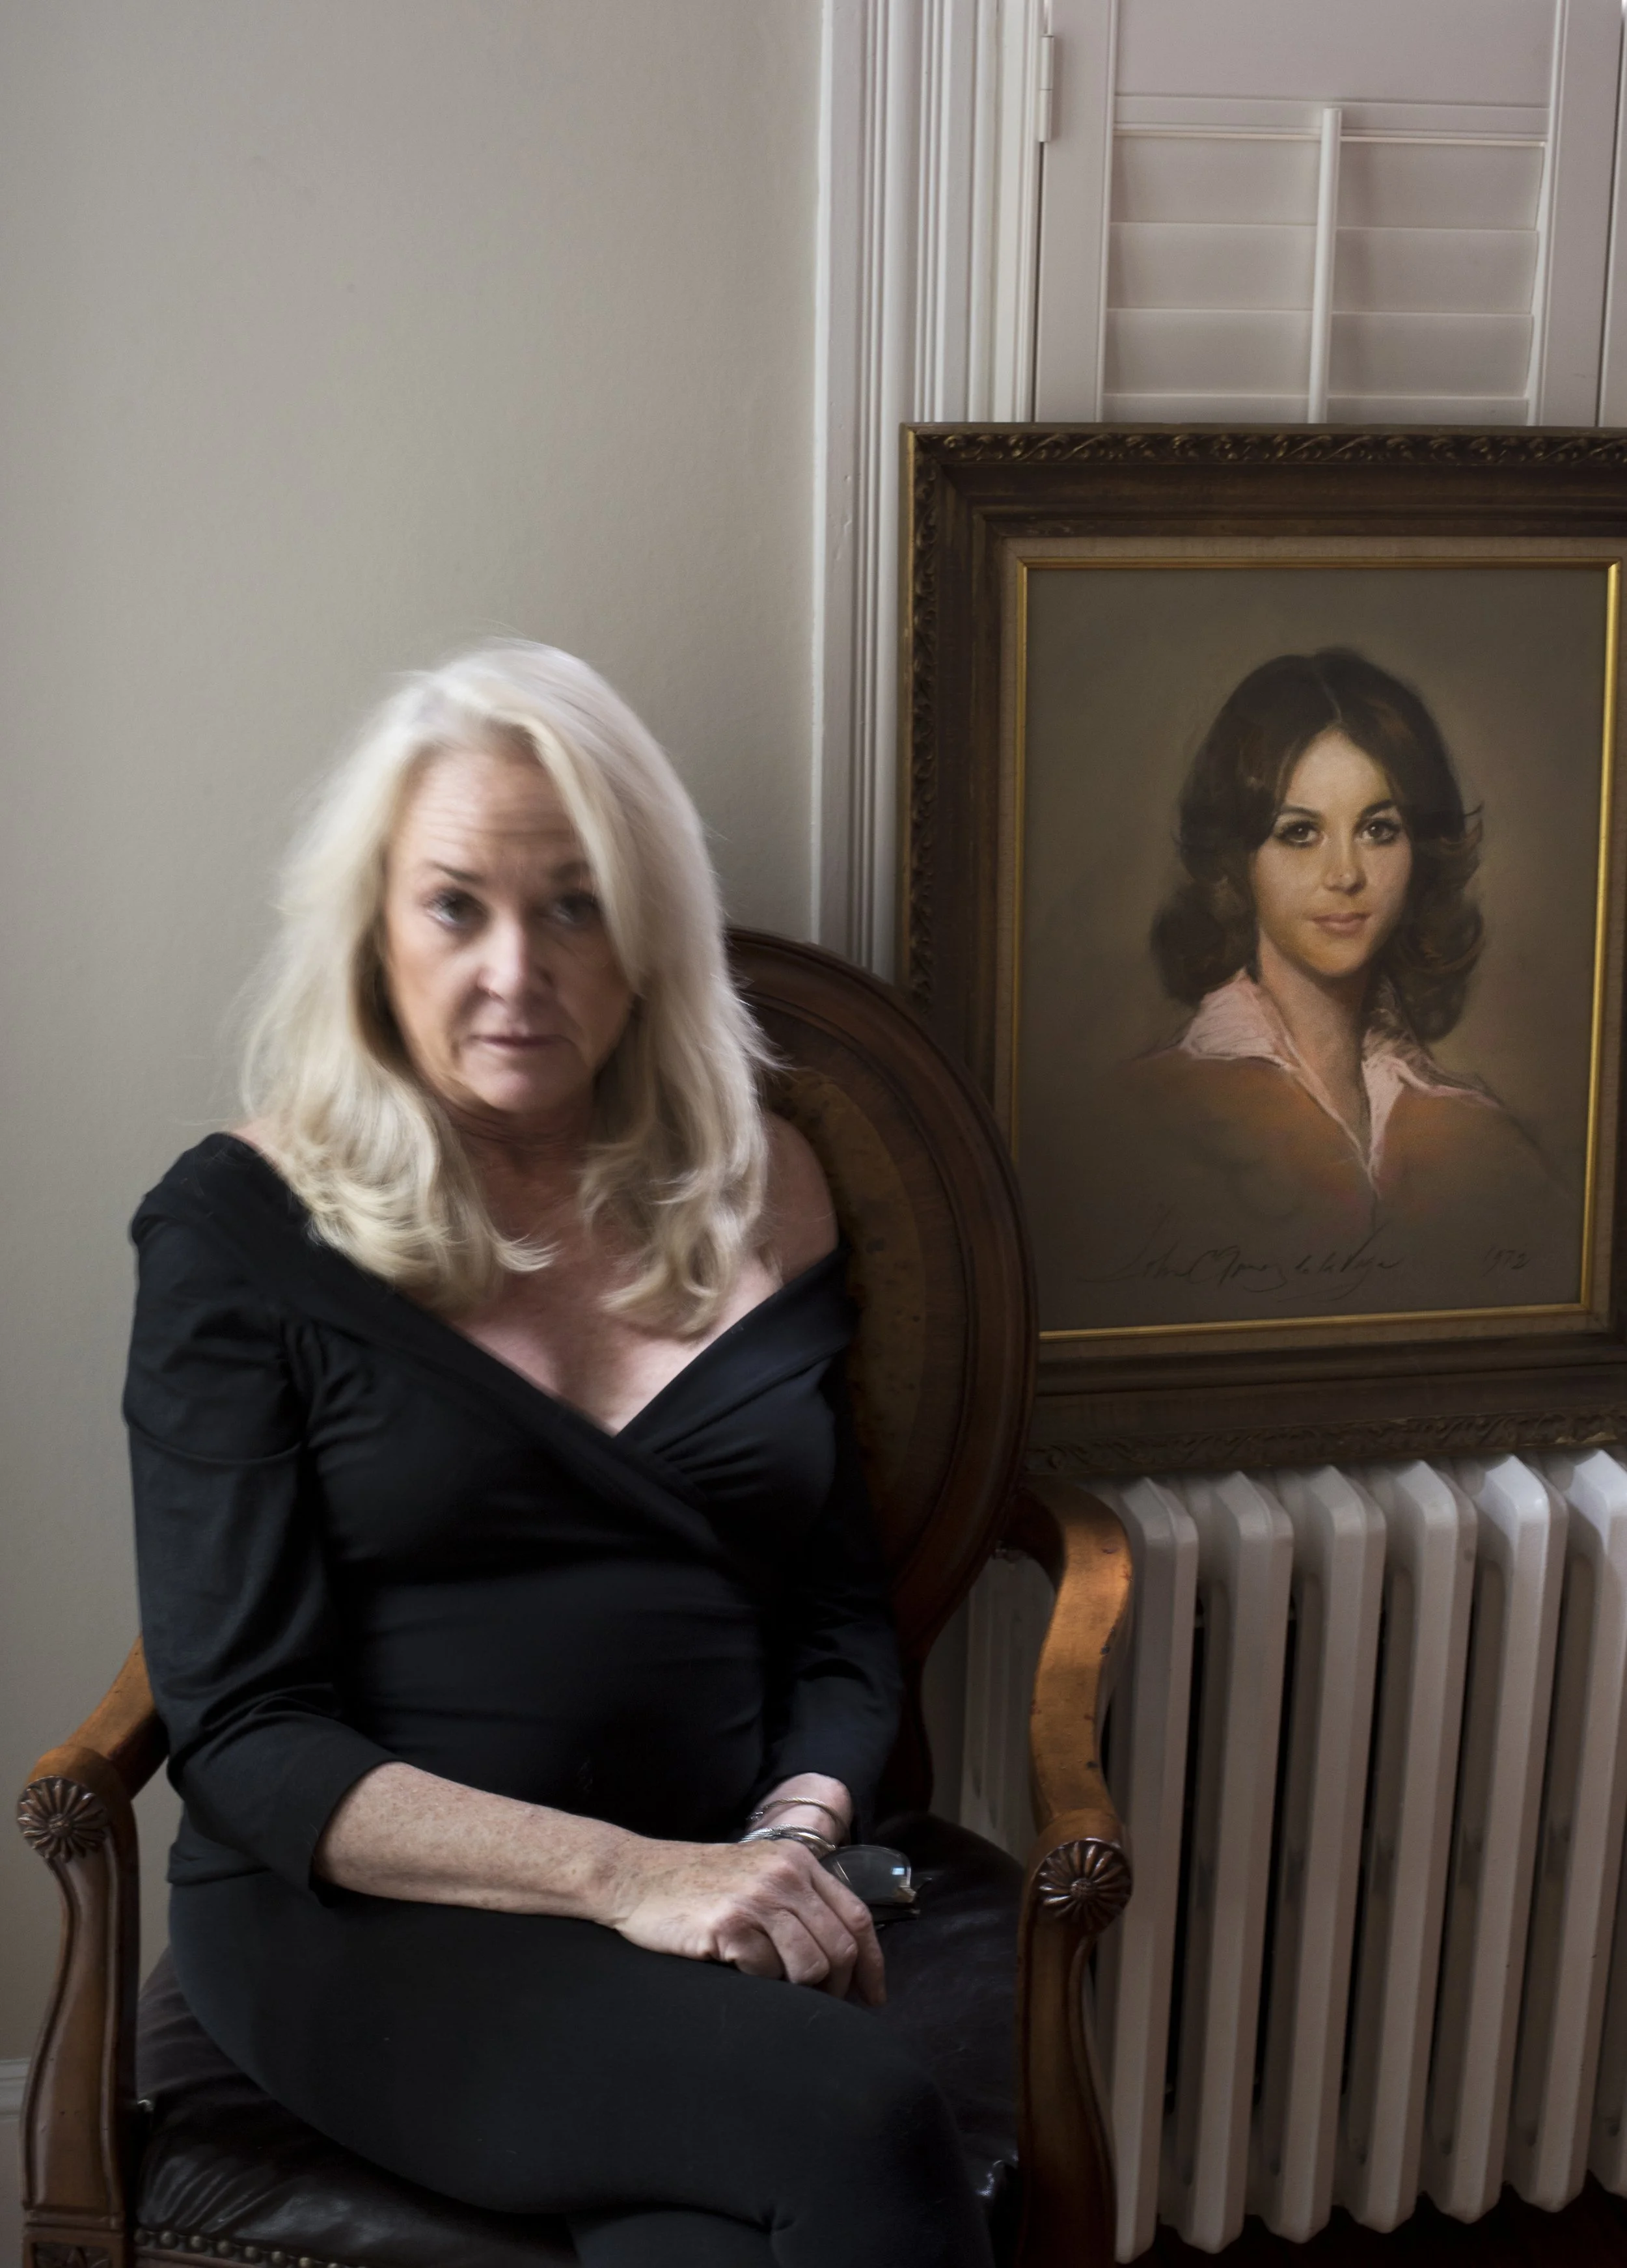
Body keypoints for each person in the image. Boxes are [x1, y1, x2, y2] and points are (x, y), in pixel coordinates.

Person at [126, 642, 994, 2268]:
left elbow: (833, 1609)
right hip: (373, 1920)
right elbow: (242, 1731)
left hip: (720, 1881)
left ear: (647, 930)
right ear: (375, 931)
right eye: (456, 905)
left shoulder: (766, 1185)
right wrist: (629, 1875)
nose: (515, 968)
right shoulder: (239, 1229)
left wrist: (792, 1836)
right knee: (863, 2114)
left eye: (574, 905)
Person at [1079, 648, 1572, 1326]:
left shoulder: (1482, 1137)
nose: (1345, 873)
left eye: (1377, 829)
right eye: (1299, 832)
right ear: (1237, 859)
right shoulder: (1138, 1118)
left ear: (1420, 849)